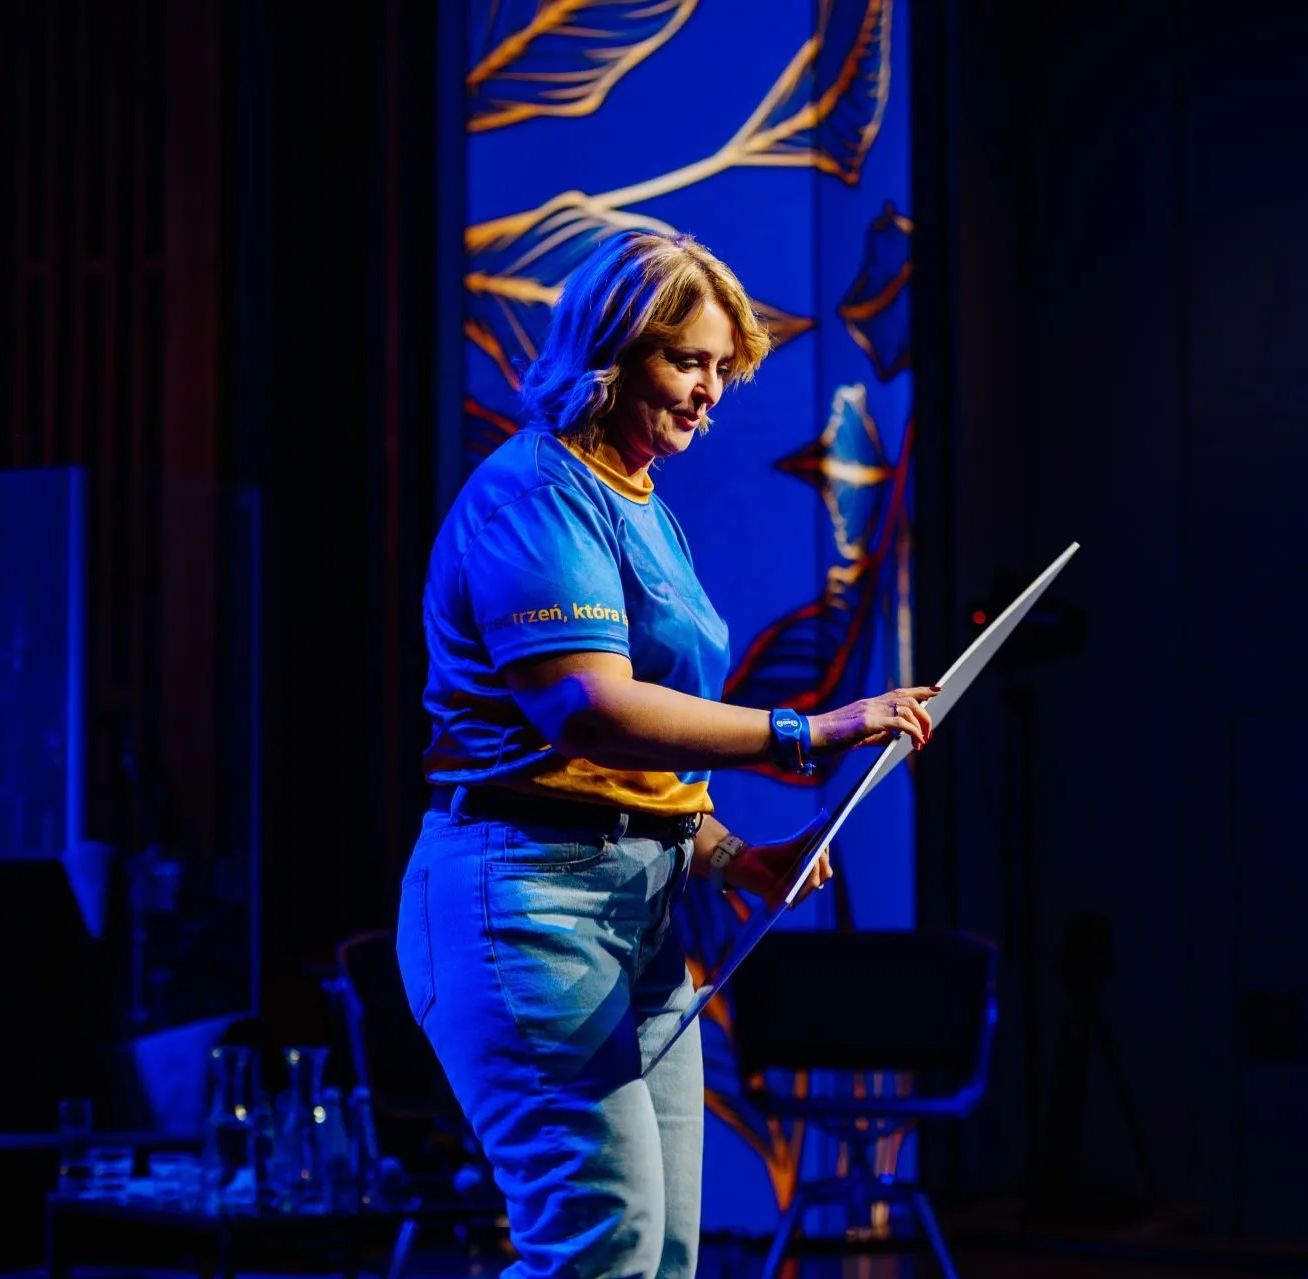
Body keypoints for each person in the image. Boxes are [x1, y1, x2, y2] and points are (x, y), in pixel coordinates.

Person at [395, 228, 938, 1279]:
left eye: (721, 368)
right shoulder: (535, 494)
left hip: (637, 914)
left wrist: (735, 856)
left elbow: (632, 768)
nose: (709, 393)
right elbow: (589, 714)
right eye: (688, 361)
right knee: (602, 1243)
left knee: (664, 1252)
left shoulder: (640, 501)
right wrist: (808, 728)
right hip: (528, 901)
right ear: (613, 349)